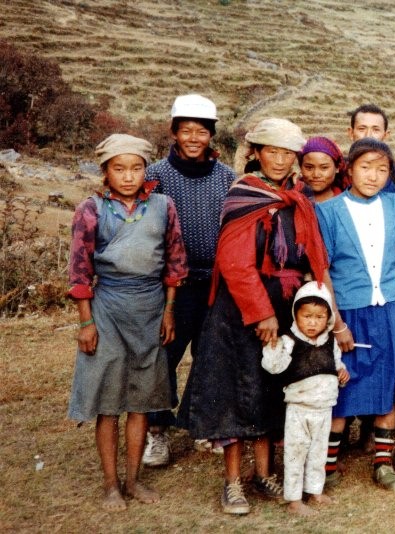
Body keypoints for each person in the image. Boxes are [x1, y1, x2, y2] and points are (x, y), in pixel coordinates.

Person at [178, 118, 332, 515]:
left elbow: (311, 254)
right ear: (256, 154)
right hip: (240, 311)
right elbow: (234, 263)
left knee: (271, 389)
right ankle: (232, 483)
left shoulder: (296, 197)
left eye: (287, 153)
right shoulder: (244, 196)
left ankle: (264, 475)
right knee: (235, 393)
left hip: (286, 306)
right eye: (272, 151)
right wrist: (261, 314)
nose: (280, 160)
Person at [68, 133, 188, 511]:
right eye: (119, 169)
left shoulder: (163, 206)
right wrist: (86, 323)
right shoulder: (91, 209)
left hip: (151, 307)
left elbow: (175, 263)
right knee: (108, 402)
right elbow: (79, 272)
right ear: (105, 171)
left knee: (141, 401)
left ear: (145, 170)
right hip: (108, 309)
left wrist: (169, 310)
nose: (128, 176)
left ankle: (134, 480)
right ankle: (110, 485)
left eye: (136, 168)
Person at [316, 138, 395, 491]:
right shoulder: (328, 211)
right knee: (343, 387)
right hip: (350, 312)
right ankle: (327, 467)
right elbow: (322, 270)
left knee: (392, 382)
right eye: (365, 167)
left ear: (391, 174)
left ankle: (383, 464)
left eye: (382, 169)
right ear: (349, 169)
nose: (373, 176)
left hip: (393, 307)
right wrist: (336, 322)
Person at [142, 94, 236, 467]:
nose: (194, 138)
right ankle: (157, 431)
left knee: (211, 355)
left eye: (202, 131)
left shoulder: (227, 177)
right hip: (172, 285)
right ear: (174, 132)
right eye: (186, 131)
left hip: (216, 280)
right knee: (164, 355)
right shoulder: (155, 175)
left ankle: (204, 423)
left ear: (211, 135)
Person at [261, 282, 350, 516]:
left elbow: (336, 364)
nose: (313, 322)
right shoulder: (289, 341)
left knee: (318, 452)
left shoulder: (330, 342)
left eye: (319, 317)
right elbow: (273, 367)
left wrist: (341, 372)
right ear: (296, 315)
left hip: (324, 408)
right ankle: (294, 499)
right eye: (307, 316)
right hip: (299, 409)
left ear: (329, 318)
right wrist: (272, 348)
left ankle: (315, 490)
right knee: (295, 452)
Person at [347, 104, 395, 258]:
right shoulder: (337, 170)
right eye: (362, 128)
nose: (369, 135)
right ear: (351, 133)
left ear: (386, 135)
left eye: (376, 129)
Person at [299, 136, 347, 204]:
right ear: (301, 168)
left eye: (324, 168)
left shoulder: (347, 203)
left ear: (337, 167)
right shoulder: (290, 200)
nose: (316, 174)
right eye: (309, 168)